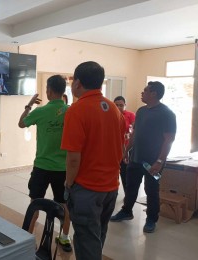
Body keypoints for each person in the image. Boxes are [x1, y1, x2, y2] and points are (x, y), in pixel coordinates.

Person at [61, 61, 125, 260]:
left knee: (87, 240)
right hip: (111, 188)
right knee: (98, 235)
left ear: (78, 83)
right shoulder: (115, 109)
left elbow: (73, 158)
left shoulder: (77, 110)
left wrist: (69, 184)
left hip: (87, 189)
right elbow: (121, 148)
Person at [110, 81, 176, 233]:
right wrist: (126, 150)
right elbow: (134, 134)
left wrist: (160, 161)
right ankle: (127, 211)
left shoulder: (166, 114)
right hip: (136, 158)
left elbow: (169, 139)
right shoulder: (141, 111)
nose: (142, 93)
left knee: (151, 190)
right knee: (130, 186)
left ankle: (151, 219)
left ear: (153, 94)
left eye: (145, 90)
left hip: (154, 161)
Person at [18, 75, 73, 252]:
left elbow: (21, 123)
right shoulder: (71, 111)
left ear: (48, 90)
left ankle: (26, 239)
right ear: (64, 91)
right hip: (63, 169)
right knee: (64, 204)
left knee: (35, 202)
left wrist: (29, 105)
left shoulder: (40, 111)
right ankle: (64, 238)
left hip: (42, 166)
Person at [113, 96, 136, 194]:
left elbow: (134, 131)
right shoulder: (110, 115)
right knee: (113, 172)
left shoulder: (130, 115)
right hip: (113, 148)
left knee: (125, 173)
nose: (118, 107)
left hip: (126, 148)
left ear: (125, 105)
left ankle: (128, 195)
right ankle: (113, 192)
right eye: (116, 105)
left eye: (121, 105)